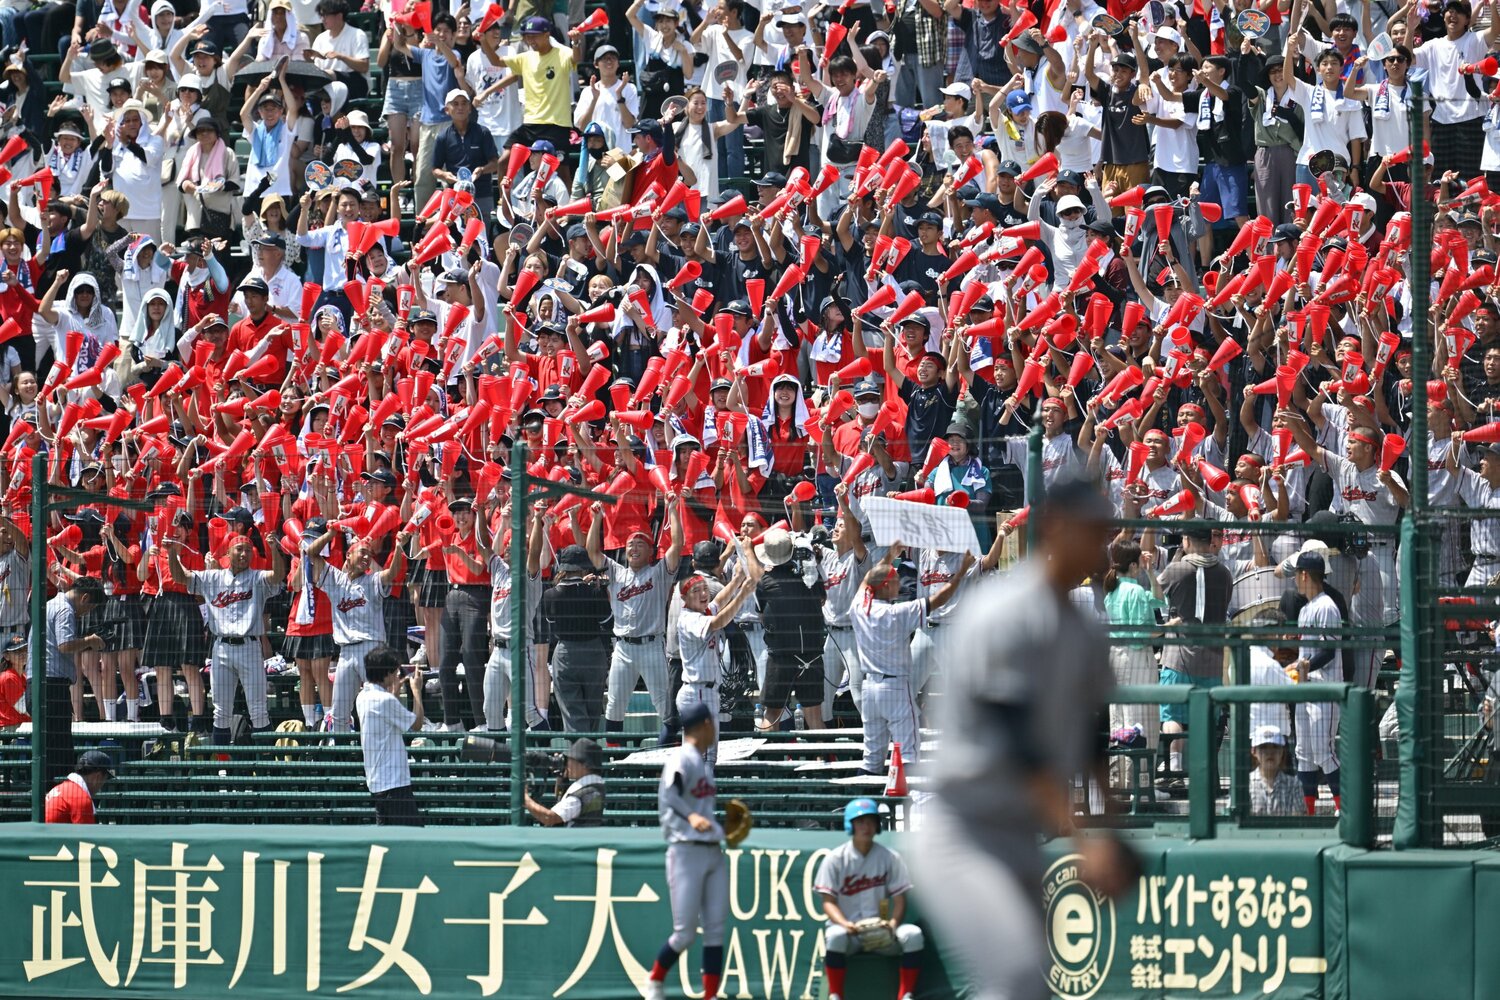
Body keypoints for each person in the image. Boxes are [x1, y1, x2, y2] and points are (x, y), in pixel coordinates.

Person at [915, 479, 1137, 1000]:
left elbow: (1090, 735)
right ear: (1056, 528)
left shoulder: (1082, 629)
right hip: (962, 831)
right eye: (1091, 533)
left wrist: (1111, 827)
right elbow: (1016, 739)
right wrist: (1087, 838)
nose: (1102, 546)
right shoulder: (1004, 609)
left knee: (1028, 984)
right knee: (1016, 975)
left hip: (1019, 832)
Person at [850, 542, 973, 775]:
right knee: (908, 753)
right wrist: (960, 573)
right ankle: (904, 808)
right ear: (886, 586)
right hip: (894, 688)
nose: (899, 584)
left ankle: (863, 807)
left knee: (871, 758)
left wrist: (889, 556)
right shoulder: (896, 613)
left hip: (870, 690)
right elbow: (938, 599)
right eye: (895, 581)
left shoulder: (858, 606)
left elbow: (869, 579)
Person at [642, 700, 729, 1000]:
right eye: (714, 724)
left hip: (712, 850)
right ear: (706, 725)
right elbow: (670, 792)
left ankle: (710, 995)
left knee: (716, 929)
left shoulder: (702, 765)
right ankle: (654, 980)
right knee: (685, 933)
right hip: (685, 852)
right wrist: (691, 816)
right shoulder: (683, 757)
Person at [168, 533, 285, 745]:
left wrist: (274, 549)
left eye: (248, 550)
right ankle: (222, 768)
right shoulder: (213, 578)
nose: (243, 553)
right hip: (221, 648)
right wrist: (171, 553)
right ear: (228, 553)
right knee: (221, 712)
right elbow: (180, 577)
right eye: (239, 549)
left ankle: (269, 772)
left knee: (258, 710)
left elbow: (278, 576)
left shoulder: (257, 578)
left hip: (249, 647)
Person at [588, 495, 682, 740]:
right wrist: (597, 519)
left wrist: (672, 509)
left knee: (664, 704)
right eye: (630, 544)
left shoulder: (659, 572)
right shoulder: (616, 572)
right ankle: (615, 761)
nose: (634, 547)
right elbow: (592, 551)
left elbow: (677, 545)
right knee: (614, 706)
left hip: (651, 646)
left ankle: (668, 754)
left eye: (640, 543)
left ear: (651, 551)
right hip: (622, 648)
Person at [304, 524, 412, 732]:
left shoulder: (372, 580)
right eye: (362, 552)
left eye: (369, 554)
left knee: (379, 703)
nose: (367, 557)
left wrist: (399, 547)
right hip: (345, 651)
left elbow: (393, 573)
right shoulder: (335, 579)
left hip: (371, 649)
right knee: (339, 713)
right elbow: (310, 553)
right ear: (348, 556)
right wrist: (331, 533)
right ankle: (343, 759)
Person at [815, 798, 925, 1000]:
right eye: (860, 821)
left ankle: (906, 995)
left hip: (881, 931)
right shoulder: (835, 858)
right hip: (850, 934)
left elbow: (900, 899)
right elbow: (828, 901)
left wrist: (892, 925)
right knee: (835, 935)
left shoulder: (890, 857)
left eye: (870, 821)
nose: (866, 826)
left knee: (913, 934)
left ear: (877, 825)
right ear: (851, 824)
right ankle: (836, 995)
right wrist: (845, 924)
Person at [676, 538, 763, 764]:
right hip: (697, 693)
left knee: (708, 756)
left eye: (704, 589)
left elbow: (720, 601)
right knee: (702, 757)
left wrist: (736, 580)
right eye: (696, 591)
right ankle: (697, 797)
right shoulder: (688, 618)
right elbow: (719, 622)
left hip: (707, 692)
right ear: (684, 598)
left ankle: (701, 796)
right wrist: (743, 593)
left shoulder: (701, 610)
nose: (703, 594)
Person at [1287, 551, 1345, 815]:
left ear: (1304, 575)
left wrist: (1305, 665)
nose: (1295, 582)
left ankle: (1346, 809)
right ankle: (1307, 814)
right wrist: (1298, 666)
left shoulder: (1327, 606)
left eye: (1296, 575)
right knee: (1304, 753)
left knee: (1324, 750)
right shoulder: (1305, 609)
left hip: (1324, 687)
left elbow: (1330, 650)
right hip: (1305, 688)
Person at [754, 526, 827, 730]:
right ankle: (822, 759)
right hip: (811, 656)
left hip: (781, 657)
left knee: (771, 715)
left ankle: (772, 759)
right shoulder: (811, 579)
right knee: (814, 717)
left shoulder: (765, 583)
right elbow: (822, 600)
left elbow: (761, 615)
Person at [40, 577, 106, 784]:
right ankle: (56, 798)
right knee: (59, 751)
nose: (85, 614)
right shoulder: (65, 609)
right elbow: (65, 645)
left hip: (42, 683)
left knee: (49, 746)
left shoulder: (50, 604)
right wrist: (90, 641)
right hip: (52, 686)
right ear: (84, 597)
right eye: (89, 608)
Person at [355, 645, 425, 826]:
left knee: (386, 842)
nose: (397, 675)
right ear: (385, 673)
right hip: (395, 784)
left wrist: (393, 692)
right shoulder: (384, 700)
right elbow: (416, 725)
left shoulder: (362, 696)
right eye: (394, 671)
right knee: (414, 840)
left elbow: (385, 718)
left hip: (377, 783)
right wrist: (416, 690)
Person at [524, 736, 606, 827]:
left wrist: (525, 799)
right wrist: (561, 775)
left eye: (571, 761)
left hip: (573, 839)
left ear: (584, 765)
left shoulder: (581, 794)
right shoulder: (596, 786)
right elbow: (560, 799)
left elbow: (549, 818)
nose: (567, 764)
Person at [44, 749, 113, 823]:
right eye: (105, 779)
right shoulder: (81, 798)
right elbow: (85, 834)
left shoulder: (61, 787)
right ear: (98, 777)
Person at [1250, 724, 1303, 816]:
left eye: (1275, 747)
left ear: (1283, 751)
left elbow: (1298, 823)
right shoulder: (1244, 786)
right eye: (1264, 747)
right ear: (1254, 751)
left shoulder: (1294, 785)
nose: (1270, 752)